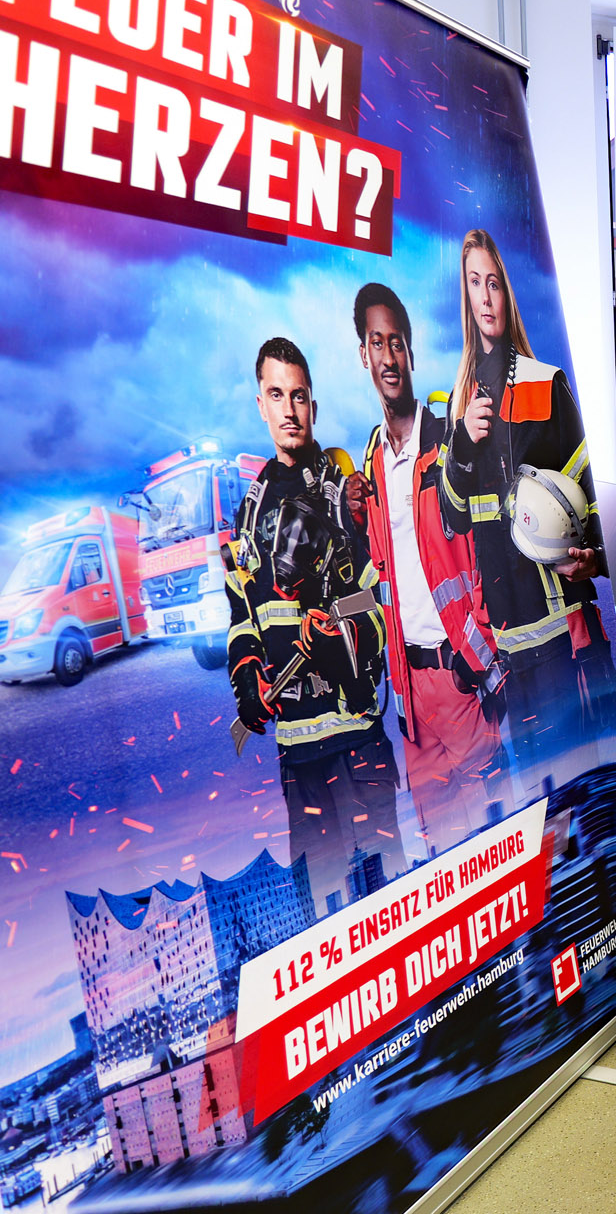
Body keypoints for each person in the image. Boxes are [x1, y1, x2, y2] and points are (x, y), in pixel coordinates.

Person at [226, 337, 404, 912]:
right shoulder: (247, 516)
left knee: (388, 898)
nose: (289, 409)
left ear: (313, 405)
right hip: (298, 755)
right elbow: (243, 616)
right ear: (261, 404)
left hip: (357, 739)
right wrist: (247, 676)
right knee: (324, 910)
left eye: (298, 396)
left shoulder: (347, 497)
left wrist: (341, 637)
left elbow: (378, 598)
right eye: (276, 395)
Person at [438, 229, 616, 774]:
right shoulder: (459, 407)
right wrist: (461, 446)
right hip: (510, 653)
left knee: (594, 793)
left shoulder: (547, 383)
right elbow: (452, 518)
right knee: (546, 802)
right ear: (466, 296)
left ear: (507, 293)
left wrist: (596, 558)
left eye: (494, 282)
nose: (486, 296)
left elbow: (594, 503)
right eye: (475, 283)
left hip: (569, 638)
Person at [348, 283, 506, 852]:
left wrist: (477, 662)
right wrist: (351, 519)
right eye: (377, 343)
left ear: (410, 352)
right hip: (409, 696)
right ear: (363, 355)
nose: (389, 357)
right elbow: (378, 578)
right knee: (444, 857)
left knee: (494, 841)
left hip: (458, 676)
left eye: (397, 343)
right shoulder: (370, 463)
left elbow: (489, 553)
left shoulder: (448, 441)